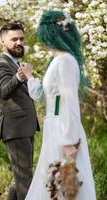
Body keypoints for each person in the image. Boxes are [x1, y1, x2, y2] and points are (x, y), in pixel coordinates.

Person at [20, 10, 96, 199]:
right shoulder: (56, 61)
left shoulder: (65, 61)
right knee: (53, 184)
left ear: (50, 33)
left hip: (62, 130)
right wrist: (29, 77)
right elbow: (45, 97)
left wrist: (69, 140)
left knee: (65, 185)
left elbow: (69, 102)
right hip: (54, 128)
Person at [0, 22, 40, 200]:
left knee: (19, 179)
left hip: (25, 128)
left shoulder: (15, 63)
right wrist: (20, 76)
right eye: (14, 39)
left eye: (21, 38)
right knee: (25, 180)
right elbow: (3, 90)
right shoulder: (1, 65)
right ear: (2, 41)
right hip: (16, 129)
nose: (19, 42)